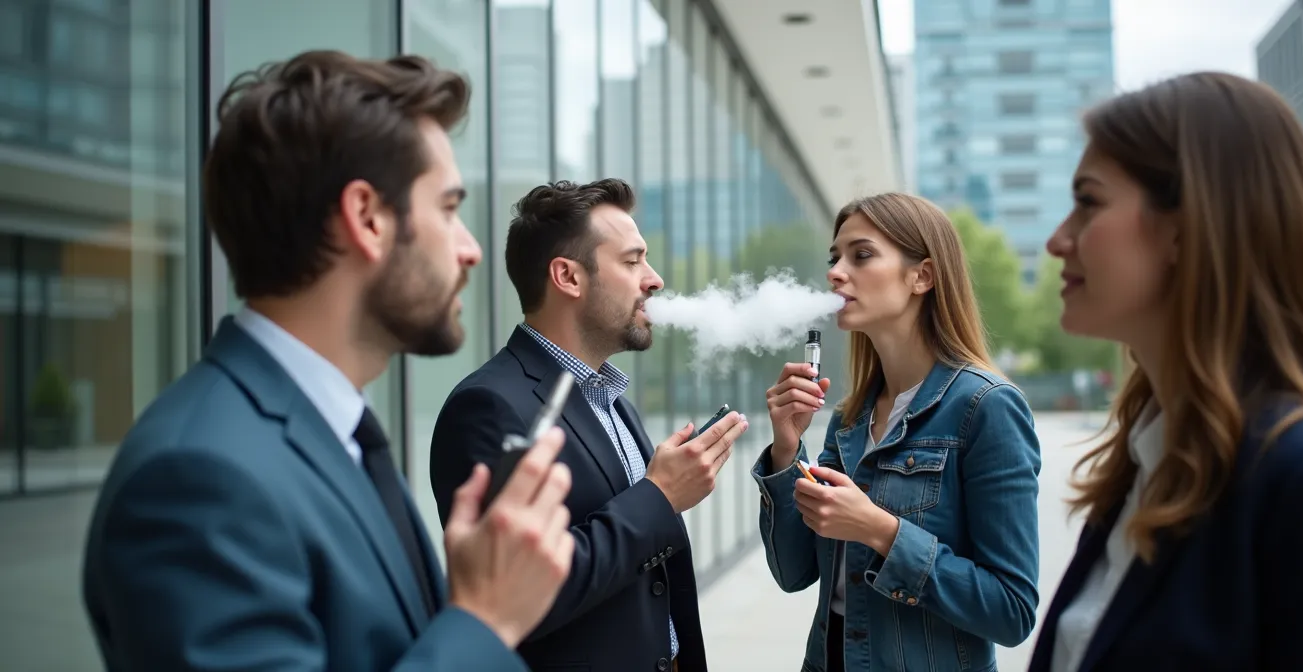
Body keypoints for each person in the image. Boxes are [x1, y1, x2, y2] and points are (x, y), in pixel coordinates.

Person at [80, 50, 575, 671]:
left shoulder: (336, 434)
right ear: (366, 218)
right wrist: (485, 620)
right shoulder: (197, 481)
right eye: (448, 210)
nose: (470, 249)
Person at [1026, 72, 1303, 672]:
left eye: (1088, 202)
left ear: (1188, 226)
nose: (1058, 240)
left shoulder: (1295, 475)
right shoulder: (1144, 466)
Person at [429, 178, 748, 672]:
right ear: (568, 277)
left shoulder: (609, 397)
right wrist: (659, 496)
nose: (654, 279)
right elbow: (521, 594)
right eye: (632, 260)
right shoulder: (486, 407)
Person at [753, 193, 1043, 671]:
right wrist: (787, 448)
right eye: (835, 258)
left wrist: (881, 532)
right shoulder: (850, 419)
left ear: (922, 276)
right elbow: (794, 572)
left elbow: (1012, 611)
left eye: (861, 255)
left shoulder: (986, 408)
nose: (836, 272)